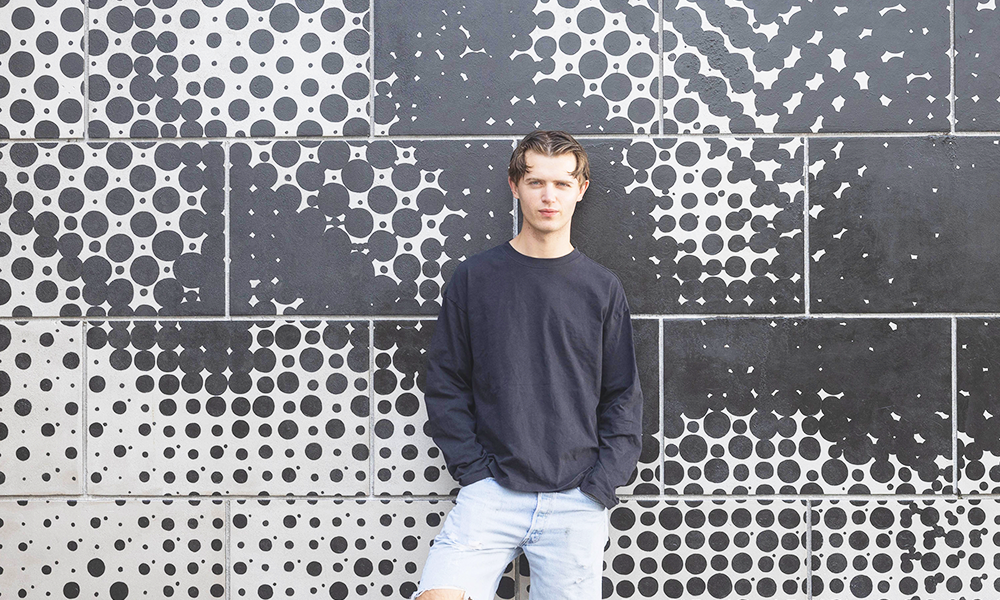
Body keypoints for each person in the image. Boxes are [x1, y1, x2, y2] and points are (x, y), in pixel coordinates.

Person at [411, 130, 643, 600]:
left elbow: (622, 393)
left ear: (581, 188)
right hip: (491, 491)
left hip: (576, 498)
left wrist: (599, 485)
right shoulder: (475, 277)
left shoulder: (601, 287)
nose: (549, 196)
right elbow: (445, 383)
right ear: (515, 186)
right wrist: (473, 471)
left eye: (562, 183)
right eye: (536, 182)